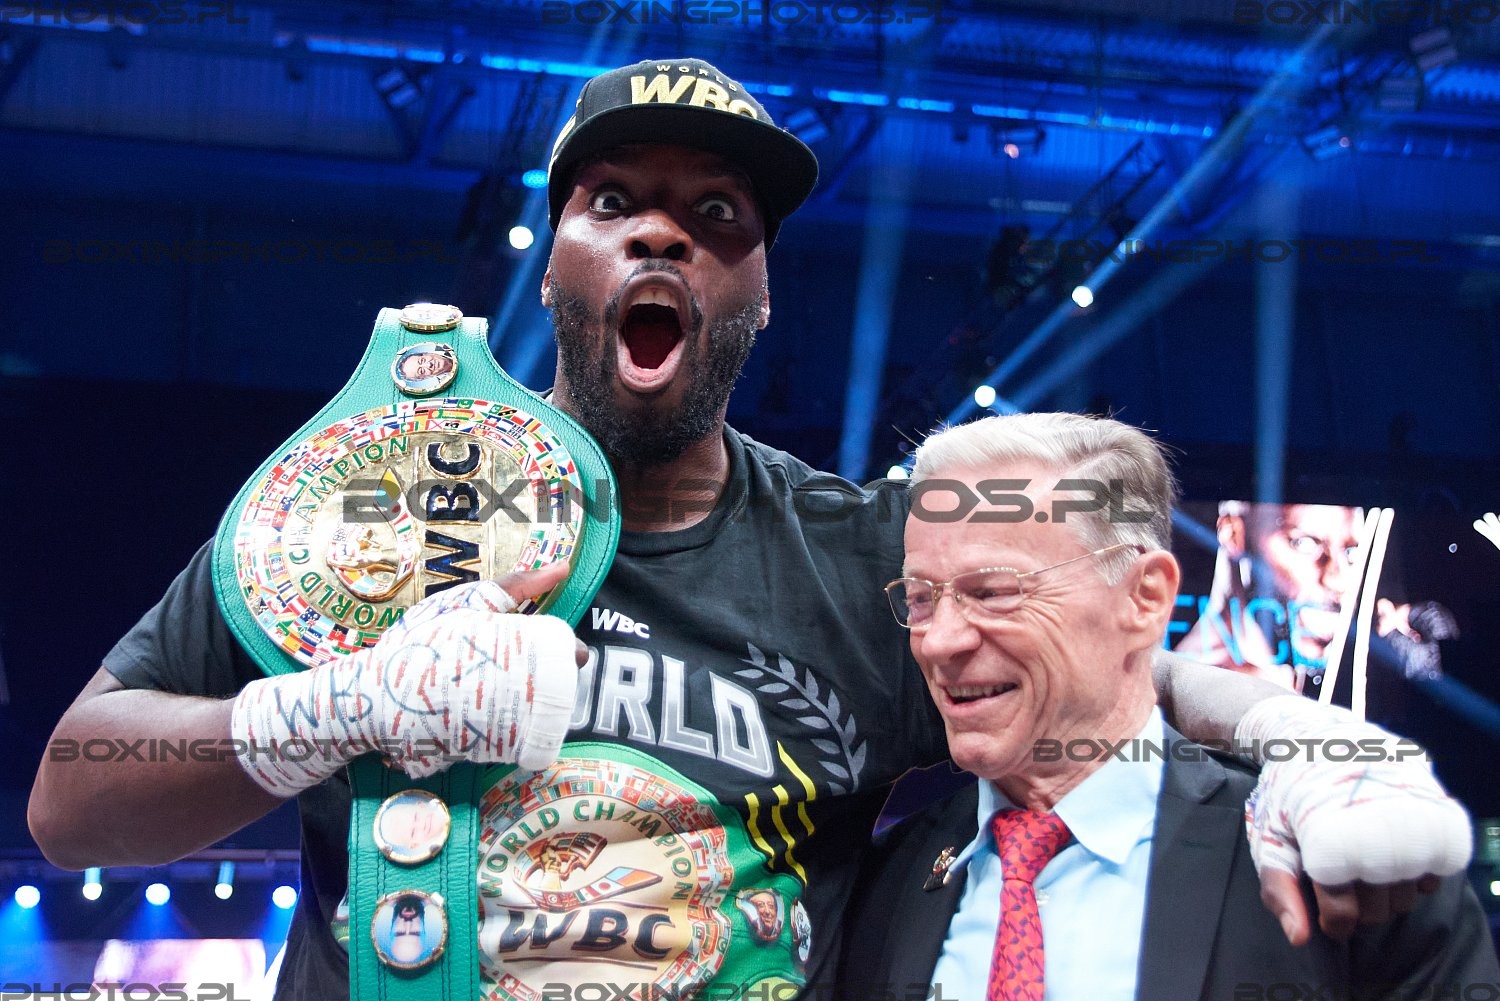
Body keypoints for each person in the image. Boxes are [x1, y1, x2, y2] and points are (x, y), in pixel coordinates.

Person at [27, 57, 1475, 999]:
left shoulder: (863, 553)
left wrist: (1309, 739)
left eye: (716, 212)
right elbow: (70, 795)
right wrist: (317, 711)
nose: (664, 235)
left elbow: (1108, 674)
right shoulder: (371, 497)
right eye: (617, 202)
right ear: (556, 263)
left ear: (764, 290)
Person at [840, 413, 1495, 999]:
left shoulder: (1349, 864)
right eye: (922, 597)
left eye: (994, 591)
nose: (941, 640)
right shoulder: (880, 880)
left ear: (1146, 597)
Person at [1177, 501, 1456, 691]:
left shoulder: (1305, 674)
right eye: (1305, 544)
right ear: (1234, 534)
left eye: (1351, 553)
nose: (1338, 579)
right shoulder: (1185, 690)